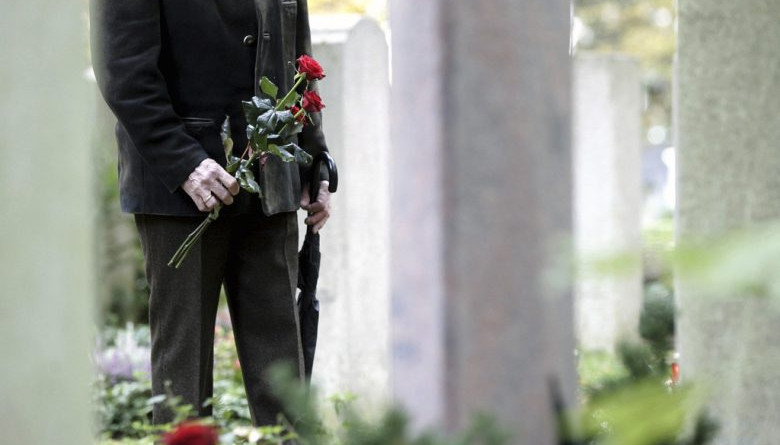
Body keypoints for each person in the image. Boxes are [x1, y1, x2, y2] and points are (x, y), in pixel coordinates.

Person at [90, 0, 331, 425]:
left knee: (284, 387)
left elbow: (296, 53)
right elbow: (123, 70)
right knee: (181, 385)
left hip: (272, 180)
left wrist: (314, 163)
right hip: (180, 194)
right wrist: (184, 162)